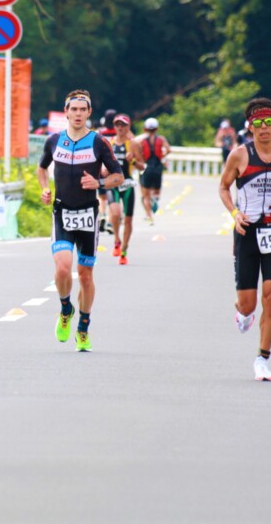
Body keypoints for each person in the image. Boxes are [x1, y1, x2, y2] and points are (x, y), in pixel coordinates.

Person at [219, 97, 271, 382]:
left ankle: (262, 359)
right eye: (257, 123)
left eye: (268, 122)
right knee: (249, 304)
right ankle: (242, 312)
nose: (263, 128)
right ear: (250, 127)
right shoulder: (240, 155)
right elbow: (224, 187)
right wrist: (234, 213)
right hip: (247, 233)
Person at [38, 89, 124, 353]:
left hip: (88, 215)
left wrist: (98, 182)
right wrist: (44, 189)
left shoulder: (98, 142)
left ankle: (83, 327)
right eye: (73, 109)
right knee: (63, 268)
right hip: (62, 213)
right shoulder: (54, 141)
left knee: (85, 276)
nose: (77, 114)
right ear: (66, 112)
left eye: (82, 110)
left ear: (89, 113)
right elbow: (42, 168)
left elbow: (118, 177)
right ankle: (66, 309)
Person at [107, 114, 136, 265]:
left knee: (128, 219)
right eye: (117, 125)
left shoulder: (133, 144)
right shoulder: (109, 143)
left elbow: (142, 166)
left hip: (128, 185)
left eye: (123, 125)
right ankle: (116, 239)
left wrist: (134, 160)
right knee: (116, 213)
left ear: (128, 127)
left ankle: (124, 251)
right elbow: (104, 166)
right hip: (113, 184)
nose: (120, 128)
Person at [134, 117, 170, 225]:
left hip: (147, 167)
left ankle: (148, 215)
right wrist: (162, 156)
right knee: (157, 191)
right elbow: (168, 149)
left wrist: (141, 160)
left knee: (145, 195)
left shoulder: (141, 140)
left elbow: (138, 152)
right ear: (157, 128)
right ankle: (155, 199)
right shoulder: (161, 139)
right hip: (158, 167)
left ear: (145, 128)